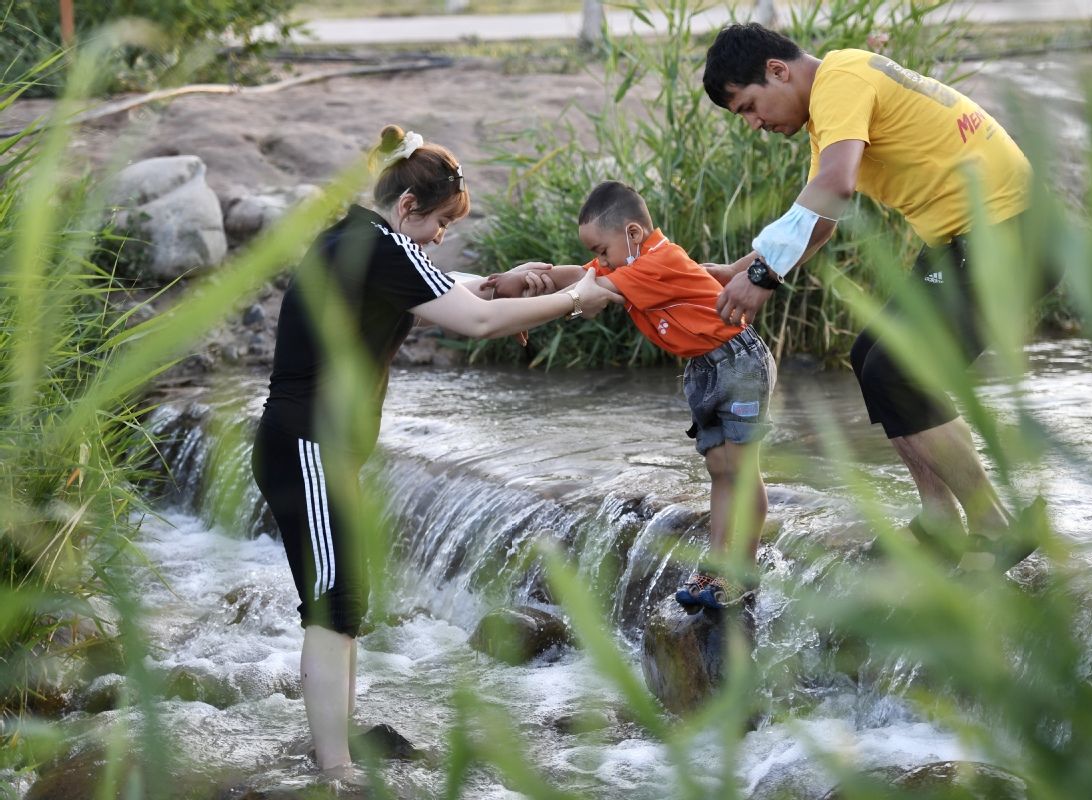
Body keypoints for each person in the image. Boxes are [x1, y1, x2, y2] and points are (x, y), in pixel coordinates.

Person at [251, 125, 620, 779]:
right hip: (308, 447)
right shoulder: (378, 246)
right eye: (441, 223)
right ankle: (334, 768)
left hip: (314, 449)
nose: (441, 236)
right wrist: (572, 299)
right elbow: (472, 320)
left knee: (343, 602)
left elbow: (450, 288)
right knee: (333, 603)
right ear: (406, 209)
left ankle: (335, 748)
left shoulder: (359, 238)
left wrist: (509, 282)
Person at [700, 23, 1046, 571]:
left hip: (1011, 233)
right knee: (869, 356)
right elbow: (821, 221)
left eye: (748, 107)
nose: (754, 124)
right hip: (968, 238)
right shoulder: (833, 100)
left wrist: (763, 276)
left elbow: (835, 187)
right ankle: (939, 517)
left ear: (777, 70)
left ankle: (992, 523)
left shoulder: (841, 79)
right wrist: (737, 270)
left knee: (899, 369)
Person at [486, 180, 776, 609]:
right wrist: (527, 278)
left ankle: (744, 574)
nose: (599, 260)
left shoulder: (657, 262)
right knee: (720, 467)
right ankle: (715, 567)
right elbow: (582, 276)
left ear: (633, 234)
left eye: (602, 250)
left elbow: (592, 292)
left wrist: (529, 300)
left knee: (741, 468)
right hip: (704, 367)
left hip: (739, 362)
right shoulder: (632, 260)